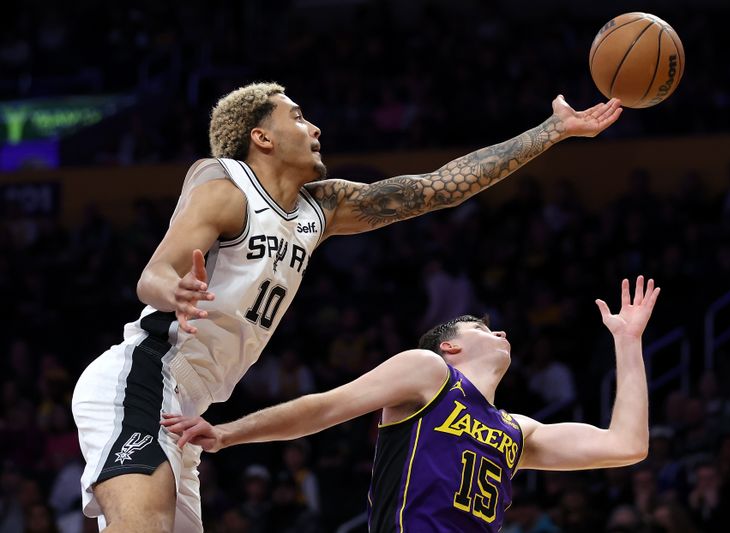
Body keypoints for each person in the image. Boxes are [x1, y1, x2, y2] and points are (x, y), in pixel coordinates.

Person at [71, 80, 622, 532]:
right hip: (143, 376)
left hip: (189, 408)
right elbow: (153, 274)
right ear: (260, 136)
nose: (314, 127)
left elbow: (438, 188)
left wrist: (552, 132)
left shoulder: (322, 208)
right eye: (297, 115)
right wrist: (175, 291)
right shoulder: (223, 182)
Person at [163, 276, 659, 532]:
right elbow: (326, 406)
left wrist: (628, 341)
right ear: (450, 345)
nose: (501, 331)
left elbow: (627, 445)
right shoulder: (429, 373)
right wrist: (230, 433)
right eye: (483, 328)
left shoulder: (517, 430)